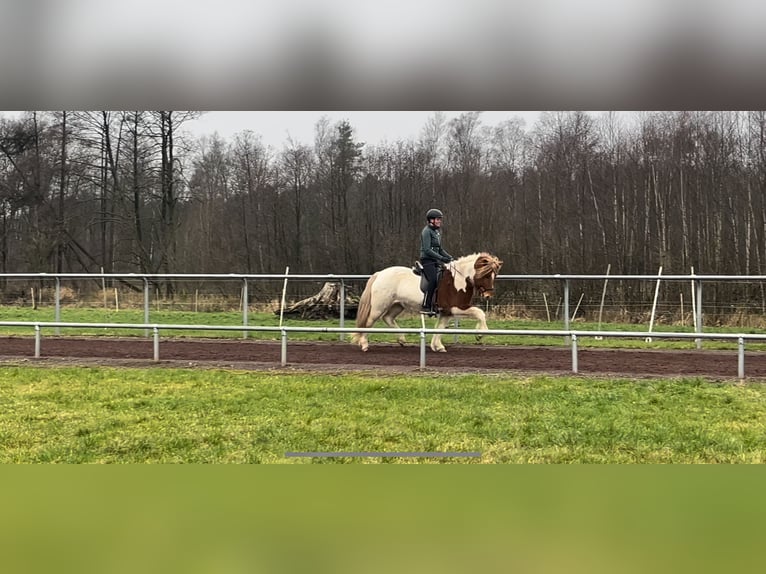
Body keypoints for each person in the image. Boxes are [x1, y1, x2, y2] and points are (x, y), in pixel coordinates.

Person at [419, 208, 453, 315]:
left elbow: (440, 249)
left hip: (435, 260)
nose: (439, 221)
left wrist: (450, 258)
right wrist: (441, 258)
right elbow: (427, 250)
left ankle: (438, 304)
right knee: (433, 279)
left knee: (443, 278)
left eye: (440, 219)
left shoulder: (437, 232)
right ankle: (426, 305)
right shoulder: (426, 232)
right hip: (427, 260)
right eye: (438, 219)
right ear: (431, 220)